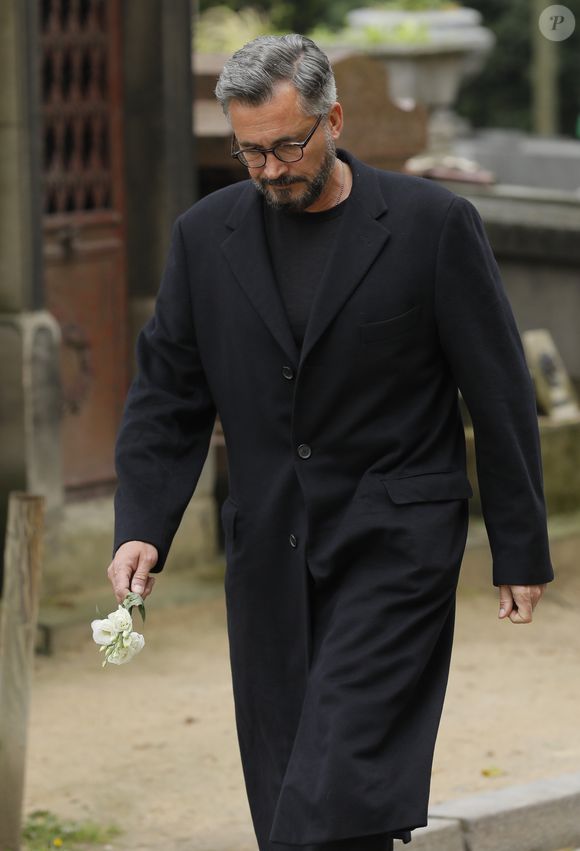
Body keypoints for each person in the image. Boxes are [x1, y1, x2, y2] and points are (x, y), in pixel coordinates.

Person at [107, 34, 554, 851]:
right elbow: (167, 396)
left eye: (287, 145)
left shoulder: (432, 225)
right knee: (293, 782)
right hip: (267, 552)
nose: (270, 169)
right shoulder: (204, 237)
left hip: (397, 546)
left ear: (334, 119)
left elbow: (497, 389)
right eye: (250, 152)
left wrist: (519, 545)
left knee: (336, 773)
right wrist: (141, 524)